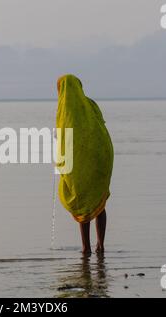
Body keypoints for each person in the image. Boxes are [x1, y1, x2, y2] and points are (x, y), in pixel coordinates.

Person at [56, 74, 114, 256]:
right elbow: (100, 127)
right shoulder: (91, 104)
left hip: (77, 162)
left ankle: (86, 247)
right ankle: (100, 245)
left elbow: (61, 137)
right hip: (99, 157)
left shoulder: (64, 109)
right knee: (99, 202)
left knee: (82, 201)